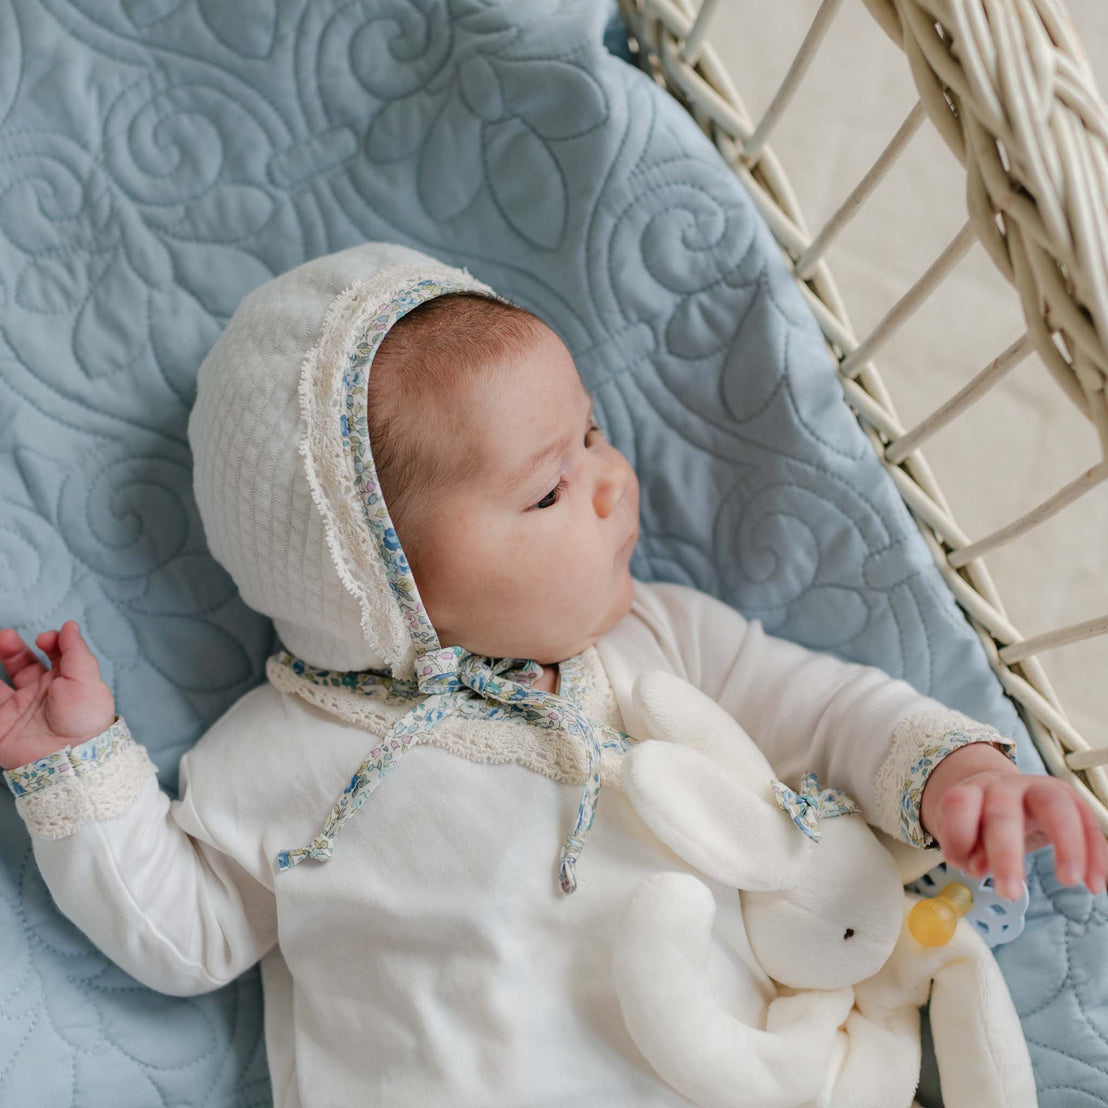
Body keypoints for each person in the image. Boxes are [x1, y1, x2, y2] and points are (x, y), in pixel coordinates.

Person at [0, 242, 1103, 1107]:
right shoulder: (273, 754)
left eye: (591, 437)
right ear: (377, 581)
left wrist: (958, 771)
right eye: (546, 490)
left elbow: (824, 713)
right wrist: (76, 768)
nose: (610, 482)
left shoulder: (654, 641)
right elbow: (187, 935)